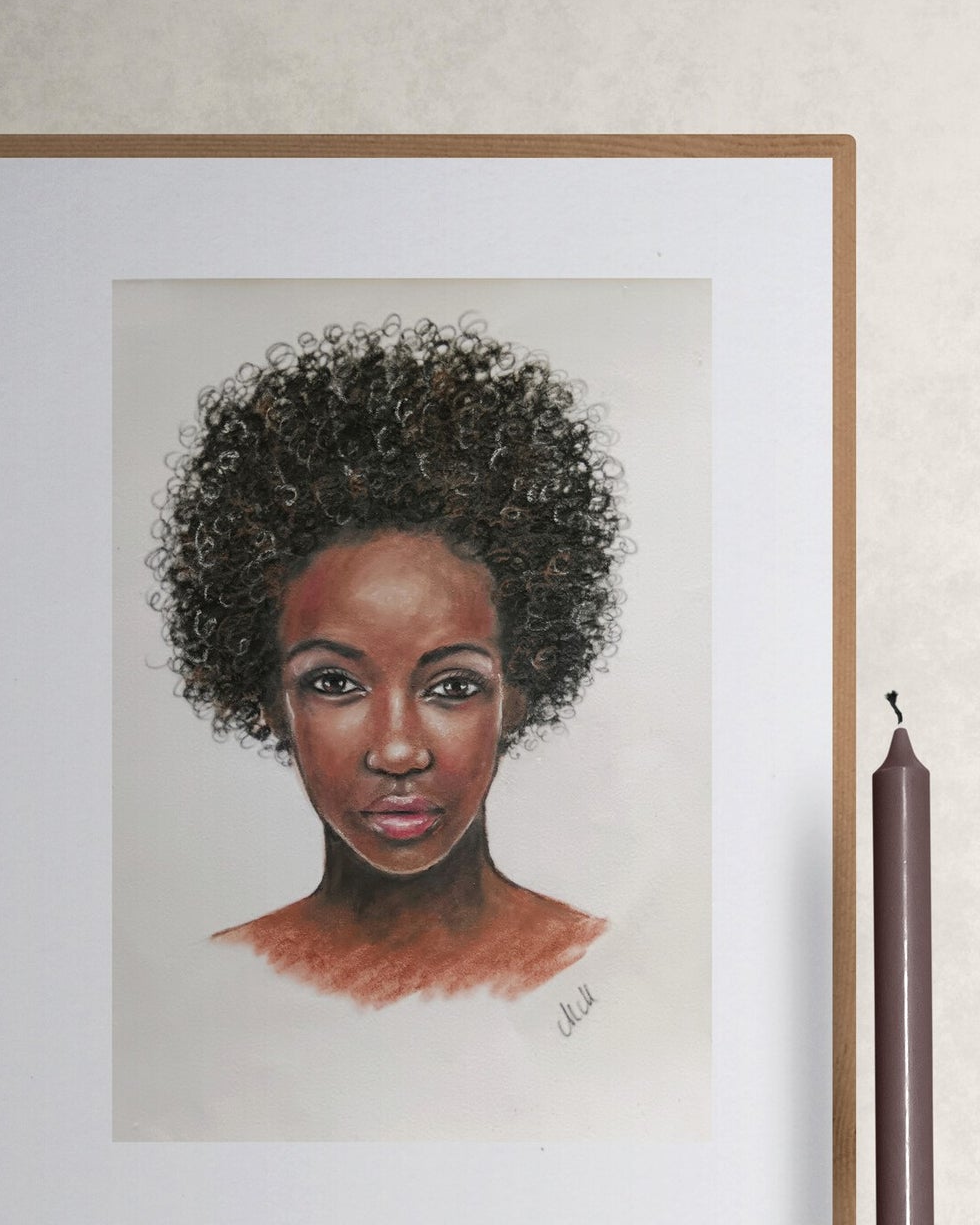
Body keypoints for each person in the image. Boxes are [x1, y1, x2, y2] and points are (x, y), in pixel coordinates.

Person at [149, 316, 626, 1006]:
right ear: (268, 702)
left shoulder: (602, 974)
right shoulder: (209, 991)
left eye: (453, 686)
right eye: (335, 683)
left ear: (518, 692)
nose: (398, 750)